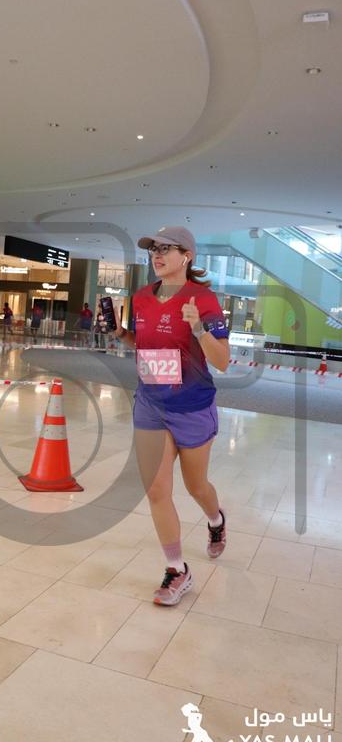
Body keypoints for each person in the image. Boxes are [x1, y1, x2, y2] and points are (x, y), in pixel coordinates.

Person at [113, 226, 230, 606]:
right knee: (157, 490)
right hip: (151, 403)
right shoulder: (141, 297)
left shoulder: (204, 299)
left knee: (196, 487)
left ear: (187, 256)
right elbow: (145, 345)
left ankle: (216, 520)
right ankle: (177, 569)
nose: (157, 255)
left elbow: (223, 361)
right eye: (153, 250)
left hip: (192, 406)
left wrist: (198, 329)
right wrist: (120, 334)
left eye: (166, 249)